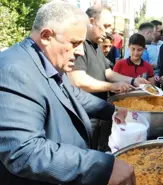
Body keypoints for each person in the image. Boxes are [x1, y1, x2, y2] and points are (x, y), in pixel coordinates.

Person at [0, 2, 135, 185]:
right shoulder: (14, 70)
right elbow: (24, 151)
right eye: (75, 43)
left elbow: (73, 94)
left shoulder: (49, 62)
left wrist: (112, 111)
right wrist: (100, 167)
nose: (80, 51)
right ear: (47, 36)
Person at [67, 5, 148, 152]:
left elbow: (108, 73)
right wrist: (112, 86)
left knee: (102, 147)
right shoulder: (80, 44)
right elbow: (78, 80)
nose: (109, 31)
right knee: (86, 150)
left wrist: (132, 81)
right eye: (106, 26)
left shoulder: (96, 46)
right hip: (85, 112)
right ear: (91, 21)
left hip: (100, 109)